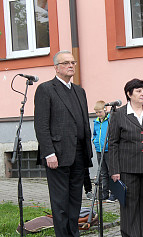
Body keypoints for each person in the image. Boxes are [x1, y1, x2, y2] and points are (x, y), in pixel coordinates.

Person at [34, 50, 93, 236]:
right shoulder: (46, 89)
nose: (71, 65)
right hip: (57, 155)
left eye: (73, 62)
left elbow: (83, 123)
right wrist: (48, 152)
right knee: (60, 202)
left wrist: (87, 151)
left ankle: (73, 233)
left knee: (75, 200)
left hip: (79, 154)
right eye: (66, 63)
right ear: (56, 67)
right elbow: (41, 125)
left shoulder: (79, 91)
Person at [108, 79, 143, 236]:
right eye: (138, 91)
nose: (142, 94)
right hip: (127, 168)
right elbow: (112, 143)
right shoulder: (118, 114)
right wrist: (114, 169)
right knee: (129, 205)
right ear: (129, 94)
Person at [92, 100, 115, 202]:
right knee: (103, 173)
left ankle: (113, 194)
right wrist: (95, 141)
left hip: (108, 150)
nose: (98, 114)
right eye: (96, 112)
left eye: (100, 112)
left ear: (105, 110)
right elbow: (95, 134)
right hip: (99, 150)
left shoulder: (110, 120)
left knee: (111, 172)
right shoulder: (96, 122)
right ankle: (104, 193)